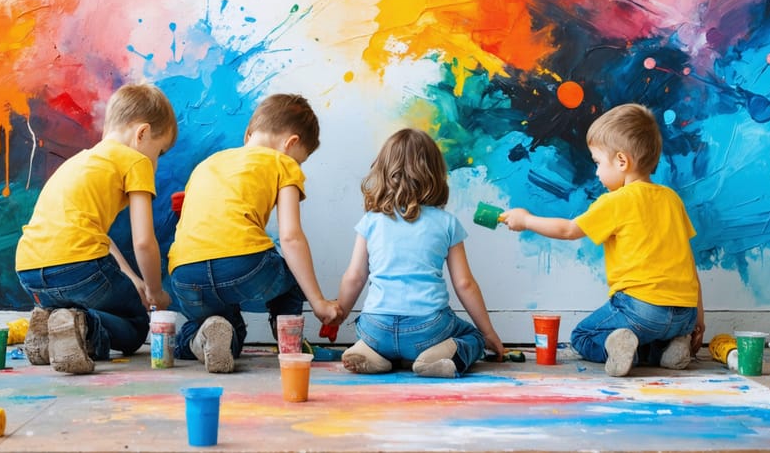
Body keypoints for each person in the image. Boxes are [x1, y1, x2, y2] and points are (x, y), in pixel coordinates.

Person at [500, 103, 705, 377]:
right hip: (684, 314)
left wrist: (525, 220)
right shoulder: (672, 199)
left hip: (642, 311)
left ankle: (631, 348)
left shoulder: (616, 201)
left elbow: (569, 230)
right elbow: (690, 263)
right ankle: (668, 349)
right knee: (653, 331)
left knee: (583, 336)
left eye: (598, 163)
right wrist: (697, 319)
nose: (596, 172)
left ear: (622, 161)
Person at [168, 93, 342, 373]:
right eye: (300, 160)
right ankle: (290, 345)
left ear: (249, 134)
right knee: (293, 277)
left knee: (225, 331)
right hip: (243, 265)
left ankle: (199, 339)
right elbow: (290, 237)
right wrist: (319, 302)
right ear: (291, 143)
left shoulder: (207, 164)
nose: (296, 166)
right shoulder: (282, 163)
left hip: (185, 275)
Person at [15, 83, 177, 374]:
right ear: (142, 134)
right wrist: (154, 290)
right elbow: (143, 241)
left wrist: (131, 278)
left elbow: (96, 235)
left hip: (30, 271)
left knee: (94, 301)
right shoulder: (136, 161)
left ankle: (52, 324)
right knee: (135, 325)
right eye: (160, 151)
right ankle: (84, 327)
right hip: (78, 269)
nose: (156, 162)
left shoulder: (80, 161)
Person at [332, 128, 505, 378]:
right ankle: (437, 357)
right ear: (435, 174)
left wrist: (339, 315)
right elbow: (464, 283)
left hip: (375, 326)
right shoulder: (447, 222)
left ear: (383, 171)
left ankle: (370, 352)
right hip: (428, 329)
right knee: (473, 336)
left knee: (377, 338)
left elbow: (354, 277)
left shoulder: (370, 221)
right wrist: (489, 333)